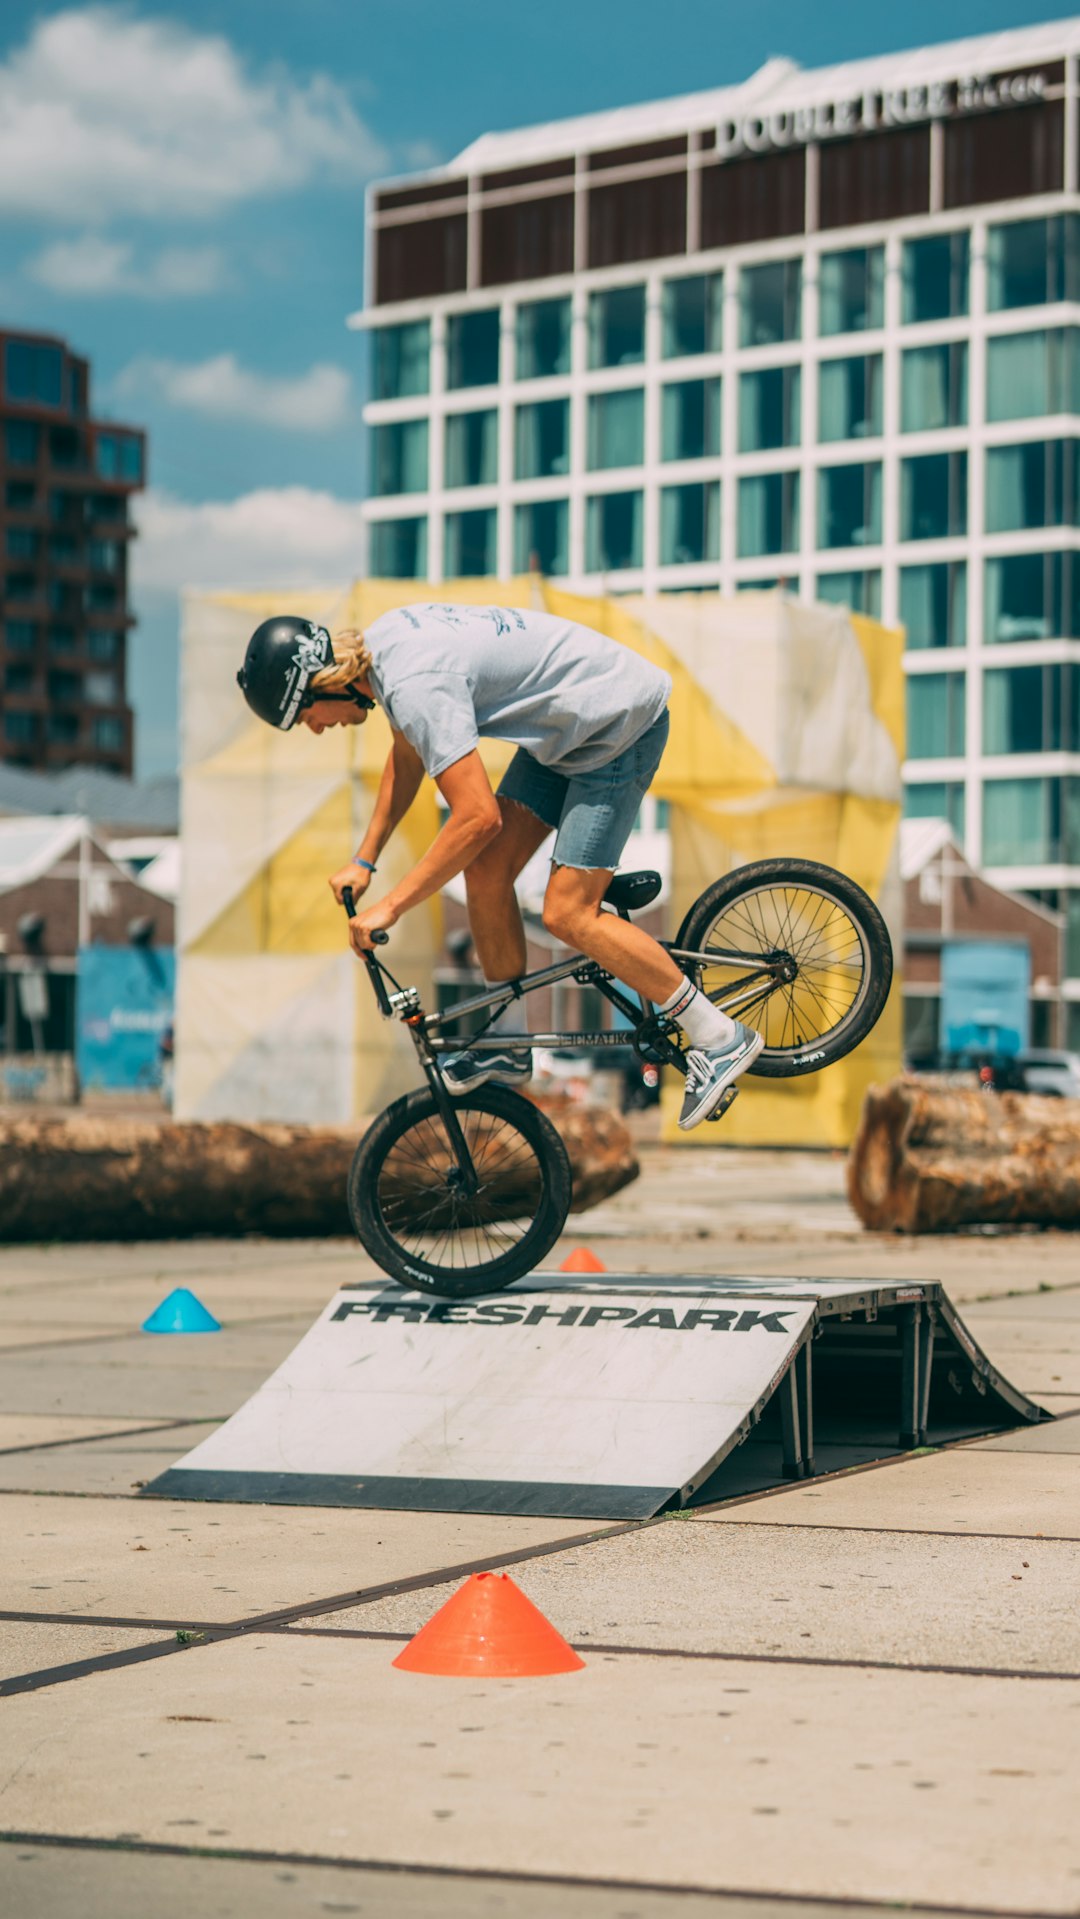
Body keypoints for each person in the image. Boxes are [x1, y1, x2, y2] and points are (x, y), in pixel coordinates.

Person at [236, 605, 762, 1129]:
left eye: (306, 718)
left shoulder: (414, 684)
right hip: (566, 730)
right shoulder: (386, 652)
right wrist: (363, 860)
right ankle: (505, 1042)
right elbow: (407, 760)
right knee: (486, 874)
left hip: (616, 722)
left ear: (325, 686)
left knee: (567, 913)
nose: (317, 730)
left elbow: (477, 818)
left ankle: (718, 1036)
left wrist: (390, 908)